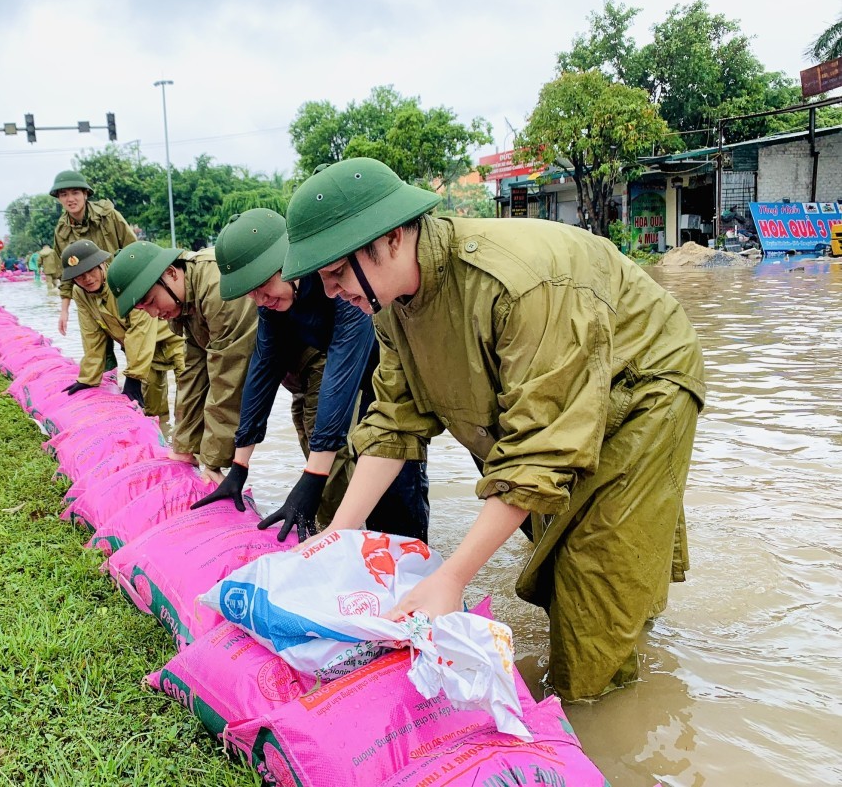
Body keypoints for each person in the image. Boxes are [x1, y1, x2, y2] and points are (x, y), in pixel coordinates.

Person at [281, 157, 705, 702]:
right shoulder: (389, 306)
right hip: (541, 409)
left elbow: (539, 454)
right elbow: (393, 420)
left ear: (388, 240)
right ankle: (629, 616)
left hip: (641, 389)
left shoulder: (517, 284)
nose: (333, 291)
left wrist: (452, 578)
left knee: (593, 591)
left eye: (336, 274)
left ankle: (602, 720)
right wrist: (339, 536)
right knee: (552, 559)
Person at [191, 209, 429, 543]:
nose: (261, 299)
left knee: (398, 488)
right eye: (251, 294)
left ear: (288, 262)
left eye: (263, 286)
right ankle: (355, 548)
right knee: (363, 484)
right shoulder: (271, 306)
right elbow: (262, 371)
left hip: (393, 376)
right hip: (357, 376)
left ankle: (412, 570)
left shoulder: (338, 283)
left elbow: (340, 370)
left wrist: (313, 477)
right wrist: (239, 466)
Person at [107, 241, 257, 485]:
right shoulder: (186, 298)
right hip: (278, 359)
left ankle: (330, 521)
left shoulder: (216, 288)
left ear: (171, 273)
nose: (154, 314)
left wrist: (212, 462)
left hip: (315, 353)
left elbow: (228, 380)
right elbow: (195, 373)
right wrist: (183, 447)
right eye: (144, 308)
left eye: (151, 301)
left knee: (322, 441)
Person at [59, 240, 184, 433]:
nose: (87, 279)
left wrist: (133, 377)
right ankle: (163, 442)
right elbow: (91, 334)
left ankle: (193, 455)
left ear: (101, 264)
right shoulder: (80, 294)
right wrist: (88, 378)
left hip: (172, 338)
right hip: (140, 352)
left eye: (91, 270)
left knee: (188, 399)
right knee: (151, 409)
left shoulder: (120, 280)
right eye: (79, 276)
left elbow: (141, 327)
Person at [49, 170, 138, 337]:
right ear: (59, 198)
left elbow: (133, 249)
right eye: (64, 194)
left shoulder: (108, 216)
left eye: (75, 193)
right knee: (96, 347)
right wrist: (64, 311)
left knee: (134, 338)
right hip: (88, 292)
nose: (70, 199)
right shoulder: (61, 231)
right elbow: (65, 274)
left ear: (85, 194)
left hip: (121, 286)